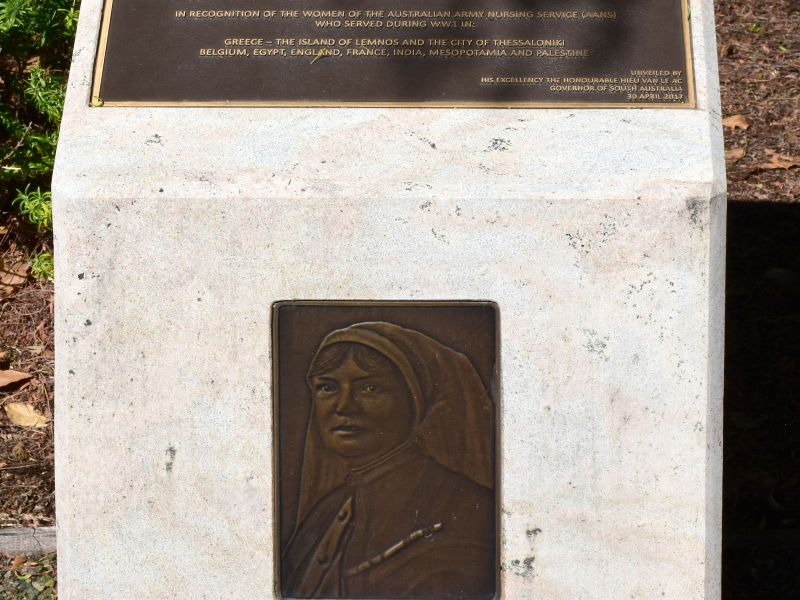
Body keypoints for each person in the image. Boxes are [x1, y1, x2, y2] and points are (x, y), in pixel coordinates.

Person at [282, 321, 496, 599]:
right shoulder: (327, 511)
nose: (344, 406)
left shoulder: (469, 508)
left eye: (370, 388)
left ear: (414, 402)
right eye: (328, 387)